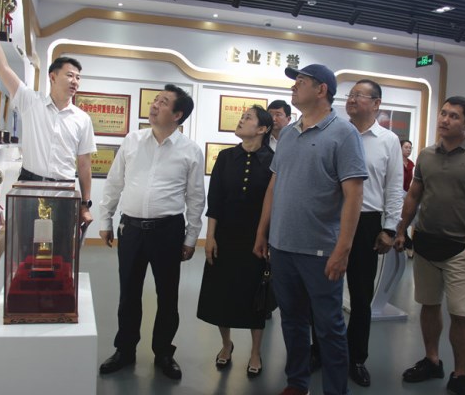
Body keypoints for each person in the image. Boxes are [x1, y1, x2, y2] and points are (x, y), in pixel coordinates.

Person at [254, 64, 368, 395]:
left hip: (320, 251)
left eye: (301, 82)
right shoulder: (288, 134)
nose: (294, 87)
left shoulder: (343, 134)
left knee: (329, 327)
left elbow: (354, 195)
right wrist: (262, 232)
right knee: (292, 321)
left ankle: (335, 390)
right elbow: (274, 186)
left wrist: (342, 249)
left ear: (321, 90)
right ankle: (297, 383)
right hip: (282, 247)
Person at [395, 96, 465, 395]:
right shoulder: (427, 155)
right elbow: (414, 195)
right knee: (428, 306)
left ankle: (460, 374)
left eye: (453, 116)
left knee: (461, 314)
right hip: (425, 243)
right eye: (443, 113)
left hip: (461, 248)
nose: (444, 119)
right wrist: (401, 230)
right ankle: (432, 360)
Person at [98, 84, 205, 380]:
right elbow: (114, 183)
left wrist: (191, 238)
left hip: (168, 231)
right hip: (131, 229)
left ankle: (164, 353)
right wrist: (105, 220)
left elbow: (196, 198)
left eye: (164, 102)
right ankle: (124, 350)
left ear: (178, 114)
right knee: (128, 294)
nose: (155, 105)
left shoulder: (190, 150)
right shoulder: (132, 141)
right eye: (156, 100)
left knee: (167, 296)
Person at [0, 7, 95, 227]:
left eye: (78, 78)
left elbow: (84, 164)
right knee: (26, 241)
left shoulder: (82, 119)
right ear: (52, 77)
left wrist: (85, 204)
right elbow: (2, 67)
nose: (75, 81)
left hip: (64, 190)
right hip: (29, 186)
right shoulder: (30, 101)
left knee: (59, 243)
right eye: (70, 75)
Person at [197, 105, 274, 378]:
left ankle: (255, 351)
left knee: (256, 297)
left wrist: (268, 239)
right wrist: (210, 237)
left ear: (262, 128)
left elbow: (275, 204)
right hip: (225, 237)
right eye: (241, 117)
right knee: (223, 294)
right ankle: (226, 344)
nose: (241, 121)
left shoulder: (274, 160)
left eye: (248, 118)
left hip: (258, 239)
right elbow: (215, 200)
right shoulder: (226, 157)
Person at [338, 79, 403, 387]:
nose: (352, 99)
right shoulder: (337, 131)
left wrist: (390, 228)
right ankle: (319, 350)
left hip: (367, 222)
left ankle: (356, 358)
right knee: (322, 291)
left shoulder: (388, 140)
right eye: (350, 95)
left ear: (376, 104)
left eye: (359, 95)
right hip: (332, 220)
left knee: (361, 294)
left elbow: (394, 187)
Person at [401, 140, 415, 256]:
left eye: (410, 148)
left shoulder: (411, 164)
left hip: (406, 194)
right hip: (396, 194)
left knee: (404, 219)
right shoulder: (396, 162)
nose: (408, 150)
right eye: (406, 147)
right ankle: (407, 243)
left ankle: (407, 243)